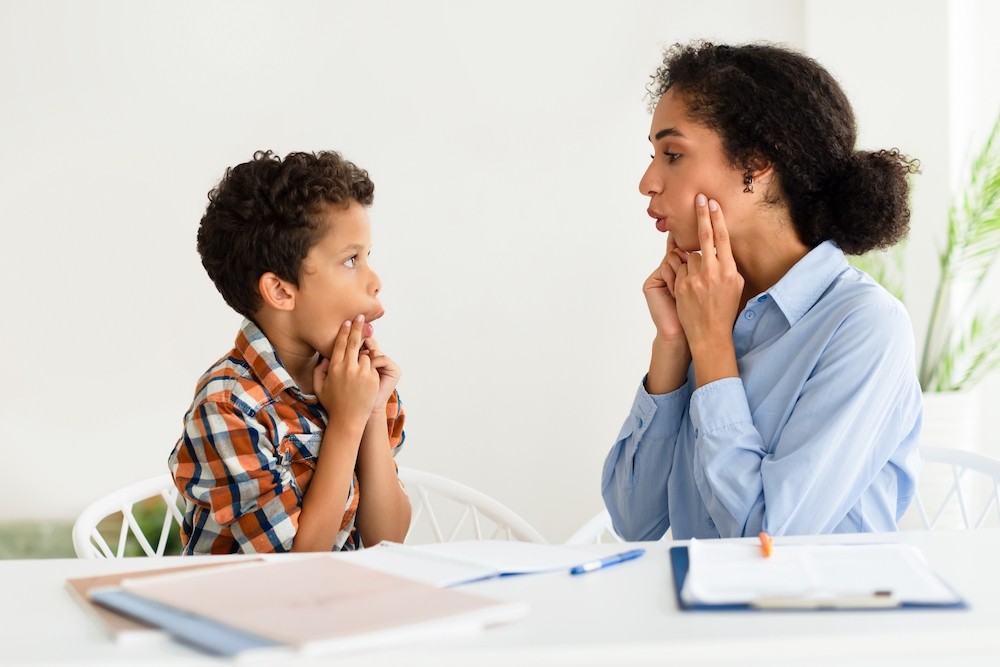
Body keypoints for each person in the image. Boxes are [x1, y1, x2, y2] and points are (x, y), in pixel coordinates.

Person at [601, 41, 923, 540]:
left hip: (819, 615)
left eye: (673, 154)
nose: (647, 181)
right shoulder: (706, 302)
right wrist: (673, 345)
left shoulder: (865, 325)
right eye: (653, 156)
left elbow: (768, 539)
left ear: (755, 162)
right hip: (700, 615)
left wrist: (711, 349)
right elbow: (632, 520)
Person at [169, 149, 410, 554]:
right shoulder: (228, 406)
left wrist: (369, 412)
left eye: (368, 256)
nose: (375, 281)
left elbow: (388, 539)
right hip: (249, 610)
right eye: (351, 259)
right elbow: (295, 570)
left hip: (340, 608)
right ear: (281, 290)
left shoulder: (357, 382)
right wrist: (346, 422)